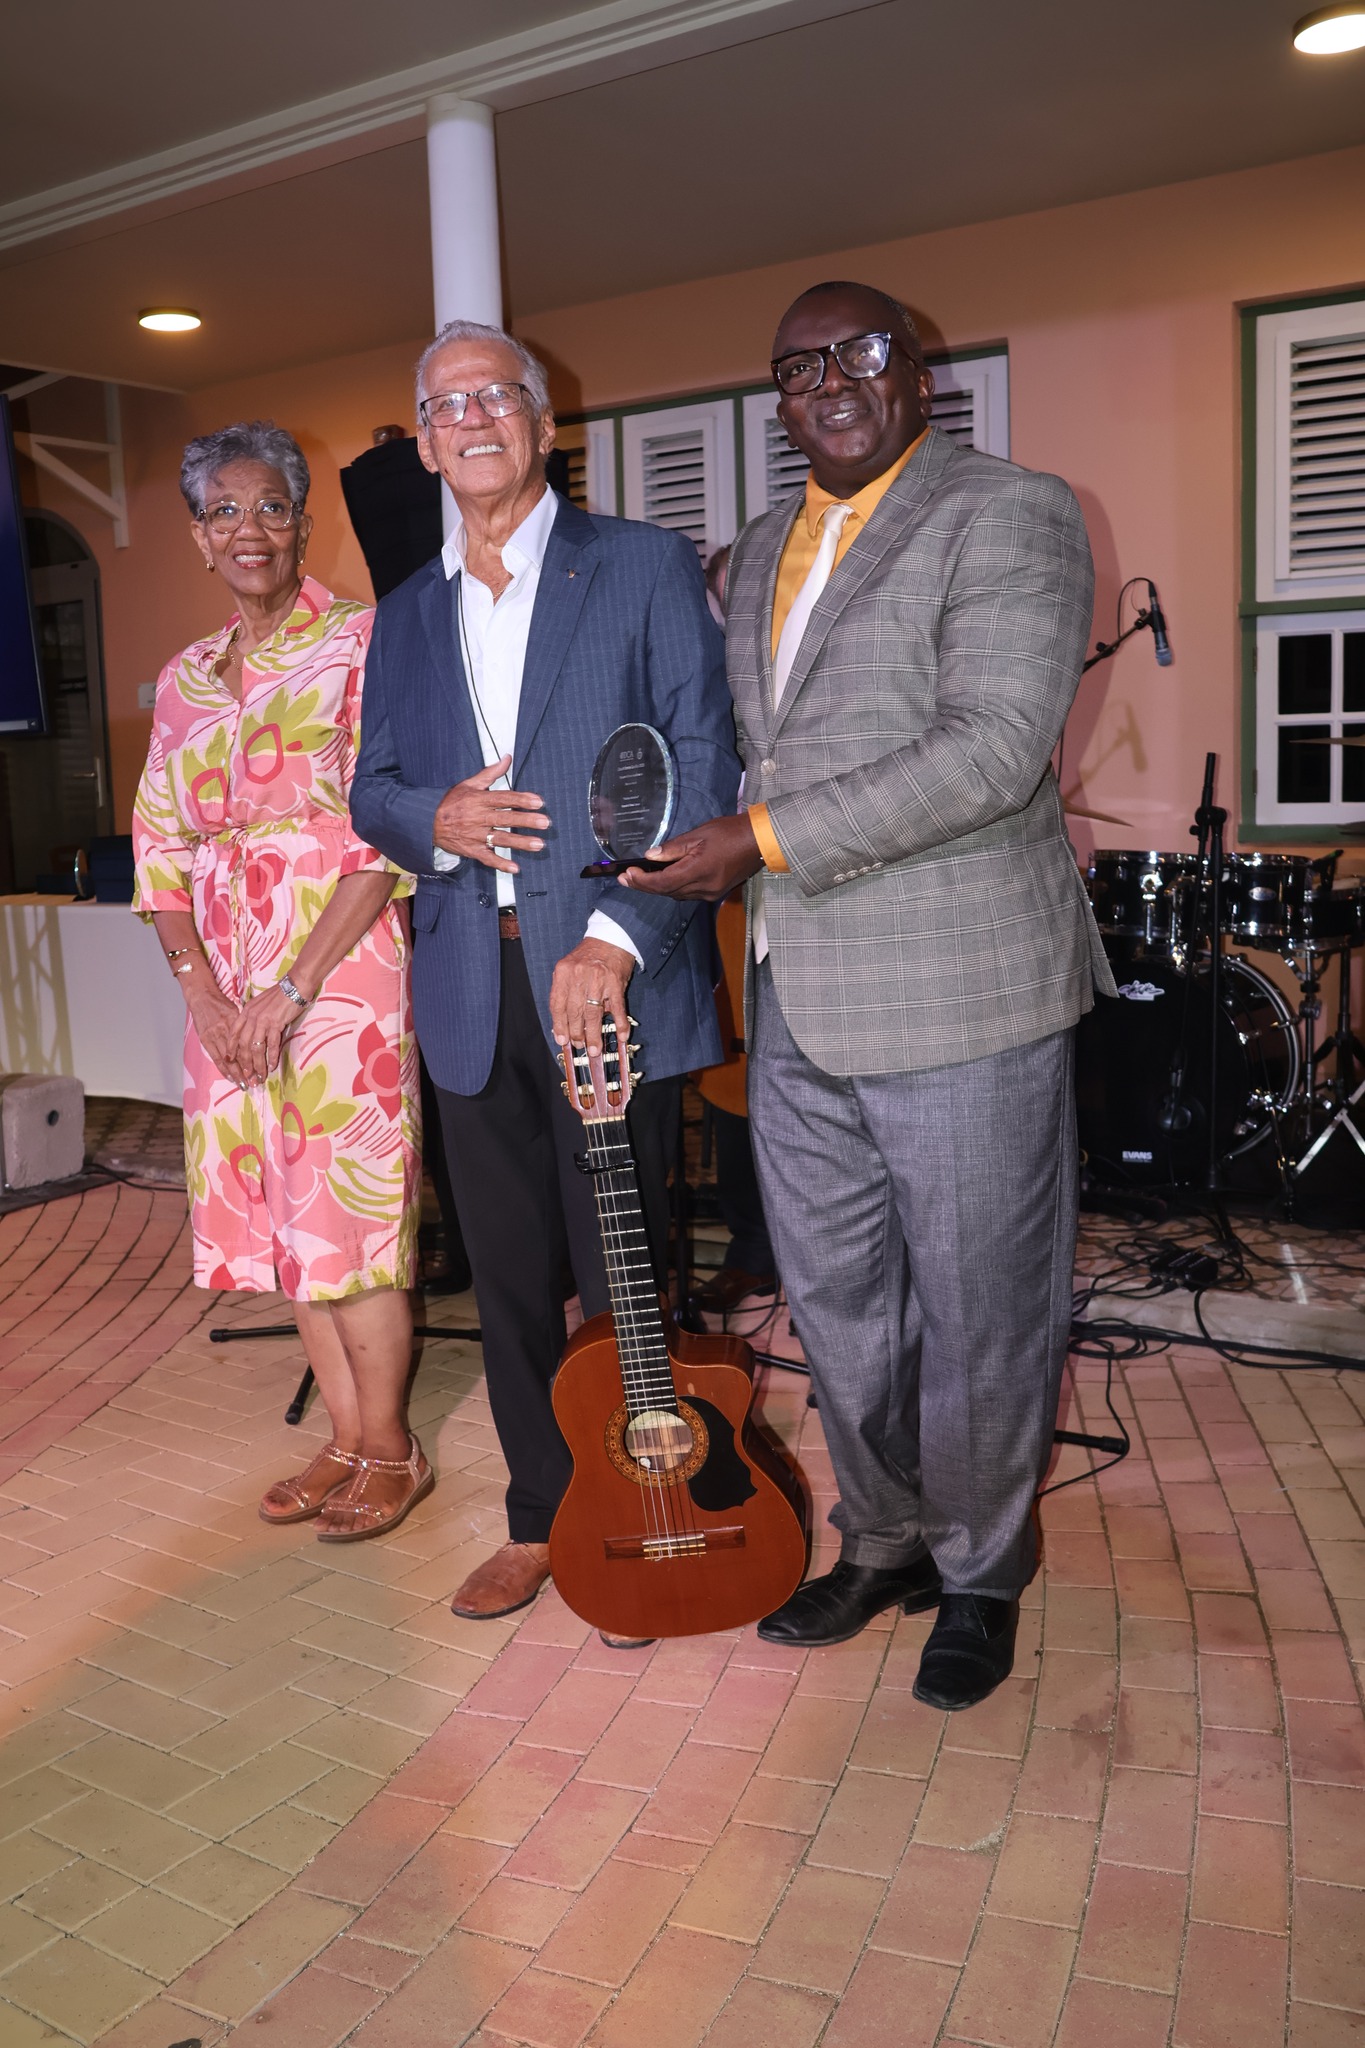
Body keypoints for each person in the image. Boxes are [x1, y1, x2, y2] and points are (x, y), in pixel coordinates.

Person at [624, 280, 1113, 1710]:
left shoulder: (1012, 511)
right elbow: (741, 747)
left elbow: (992, 749)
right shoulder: (765, 544)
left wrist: (754, 844)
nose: (828, 381)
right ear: (775, 399)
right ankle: (885, 1537)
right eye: (795, 367)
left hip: (963, 985)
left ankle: (980, 1571)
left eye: (859, 353)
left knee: (981, 1309)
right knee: (837, 1307)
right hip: (800, 993)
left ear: (919, 370)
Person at [350, 320, 738, 1624]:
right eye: (444, 404)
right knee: (510, 1269)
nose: (471, 419)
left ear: (539, 418)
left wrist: (614, 940)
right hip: (470, 981)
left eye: (494, 397)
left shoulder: (637, 565)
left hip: (605, 974)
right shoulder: (403, 616)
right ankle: (540, 1513)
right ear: (422, 440)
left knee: (626, 1267)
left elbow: (699, 759)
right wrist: (432, 823)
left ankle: (662, 1492)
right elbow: (372, 792)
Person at [132, 421, 427, 1543]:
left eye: (270, 507)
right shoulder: (185, 680)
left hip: (340, 974)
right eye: (224, 512)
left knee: (348, 1211)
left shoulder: (368, 643)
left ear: (303, 522)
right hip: (225, 982)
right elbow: (159, 848)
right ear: (200, 537)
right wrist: (203, 996)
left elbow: (382, 835)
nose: (248, 529)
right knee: (276, 1215)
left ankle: (392, 1446)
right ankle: (344, 1435)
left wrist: (290, 991)